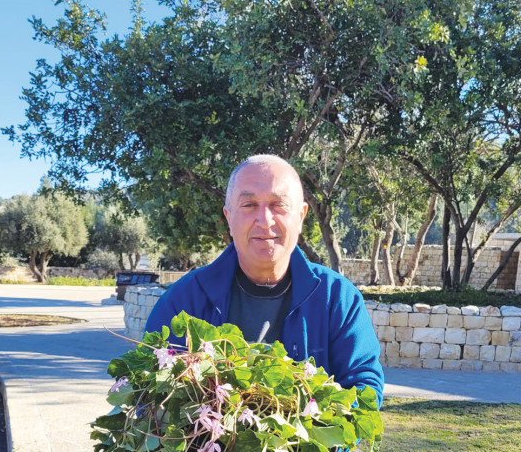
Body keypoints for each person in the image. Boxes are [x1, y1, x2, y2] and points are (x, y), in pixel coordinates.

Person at [145, 154, 384, 407]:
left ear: (301, 216)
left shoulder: (338, 298)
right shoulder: (183, 302)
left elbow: (365, 388)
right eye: (248, 205)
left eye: (278, 205)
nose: (265, 220)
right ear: (228, 217)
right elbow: (149, 392)